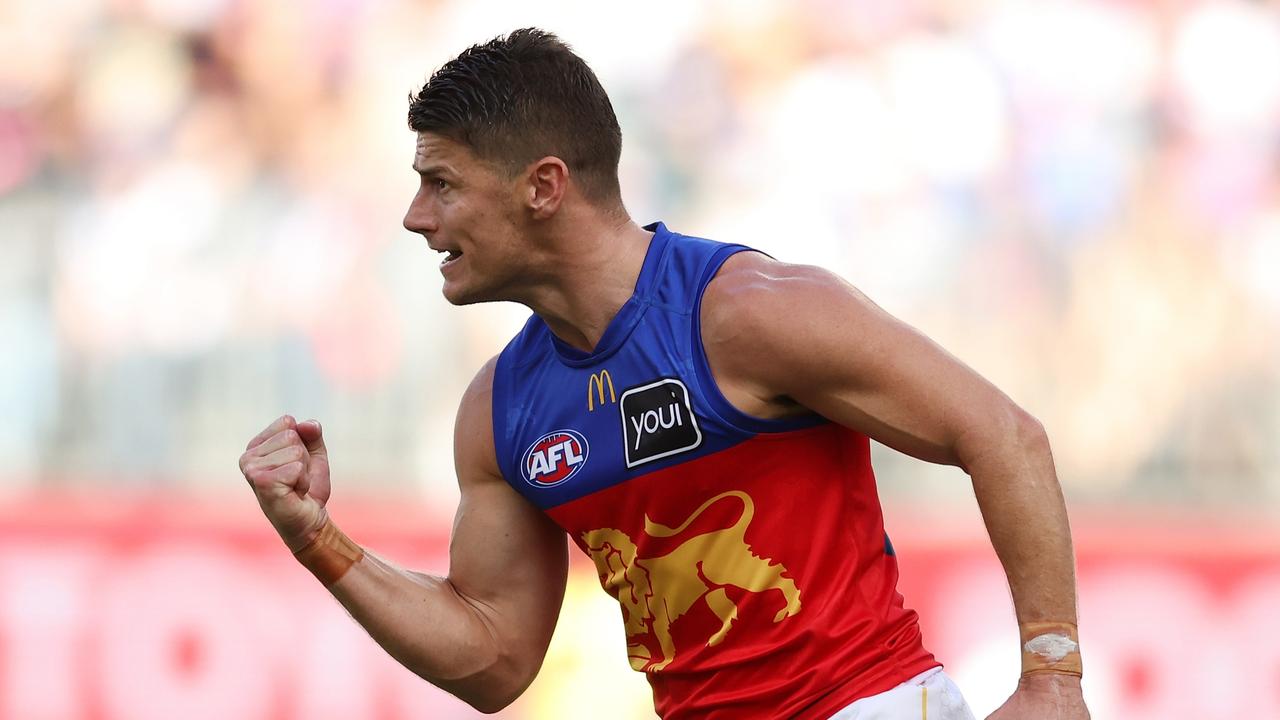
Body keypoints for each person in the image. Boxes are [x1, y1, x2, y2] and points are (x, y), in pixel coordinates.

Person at [238, 28, 1090, 720]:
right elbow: (494, 660)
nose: (416, 217)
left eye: (442, 184)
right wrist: (319, 539)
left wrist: (1052, 678)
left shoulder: (746, 314)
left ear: (543, 186)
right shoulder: (500, 412)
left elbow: (1005, 435)